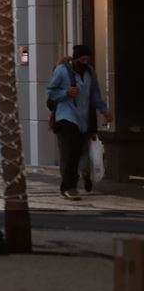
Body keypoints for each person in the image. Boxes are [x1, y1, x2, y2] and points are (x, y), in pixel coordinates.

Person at [48, 44, 112, 200]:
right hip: (67, 116)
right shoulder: (62, 71)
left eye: (87, 59)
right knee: (71, 151)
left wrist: (104, 110)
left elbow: (95, 94)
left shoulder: (90, 73)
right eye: (82, 59)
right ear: (76, 59)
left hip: (82, 118)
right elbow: (51, 92)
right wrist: (66, 93)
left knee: (76, 152)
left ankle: (71, 184)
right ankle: (68, 187)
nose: (85, 62)